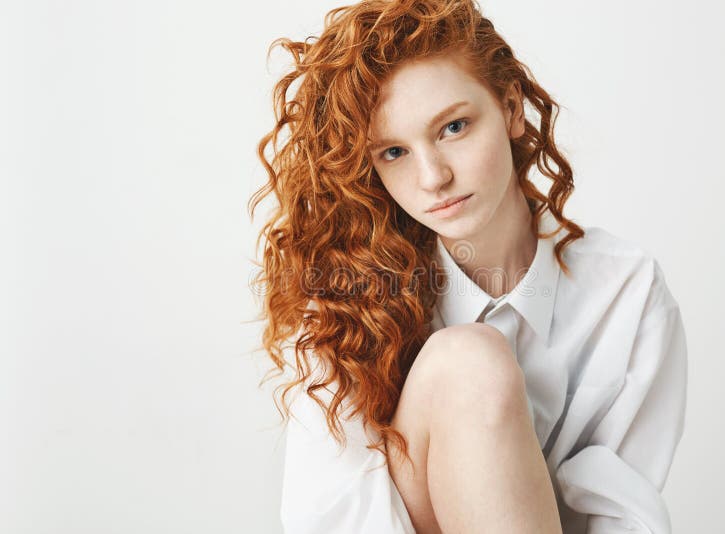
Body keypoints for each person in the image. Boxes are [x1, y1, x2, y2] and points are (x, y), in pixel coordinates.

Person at [248, 1, 688, 533]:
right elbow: (329, 518)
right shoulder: (344, 298)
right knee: (469, 362)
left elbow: (620, 515)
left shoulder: (626, 291)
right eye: (393, 153)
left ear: (510, 108)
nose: (432, 177)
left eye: (453, 127)